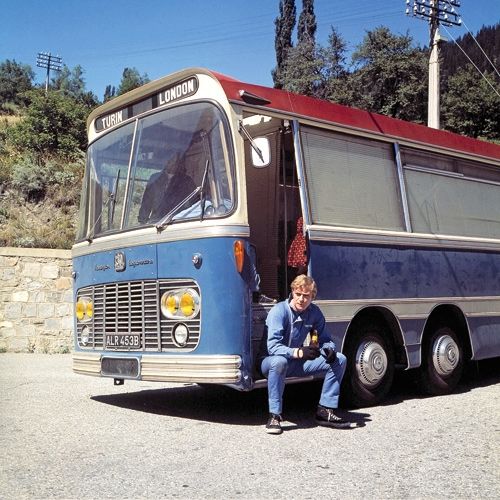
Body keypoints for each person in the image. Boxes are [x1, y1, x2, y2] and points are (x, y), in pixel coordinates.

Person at [260, 274, 350, 434]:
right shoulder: (279, 311)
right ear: (292, 292)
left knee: (340, 359)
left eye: (306, 296)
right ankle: (274, 415)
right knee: (279, 362)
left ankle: (325, 410)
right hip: (269, 362)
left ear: (312, 297)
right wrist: (299, 351)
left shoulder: (314, 312)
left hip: (294, 362)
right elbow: (273, 347)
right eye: (298, 294)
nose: (301, 299)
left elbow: (326, 339)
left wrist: (328, 350)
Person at [138, 153, 196, 224]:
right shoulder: (155, 179)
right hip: (156, 222)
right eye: (169, 160)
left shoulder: (187, 181)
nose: (171, 163)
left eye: (174, 161)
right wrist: (143, 222)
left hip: (178, 222)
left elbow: (192, 204)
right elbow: (146, 203)